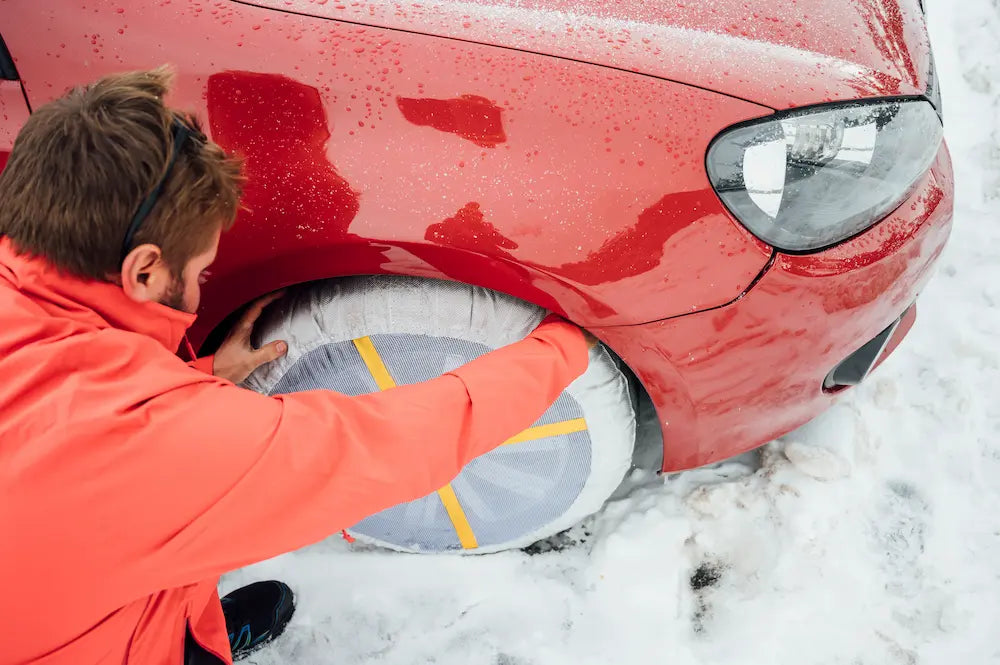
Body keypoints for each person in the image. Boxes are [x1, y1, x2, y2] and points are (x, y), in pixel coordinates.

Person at [0, 68, 592, 665]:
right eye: (202, 271)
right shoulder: (139, 458)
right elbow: (392, 448)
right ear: (145, 271)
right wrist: (563, 352)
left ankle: (187, 625)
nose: (205, 282)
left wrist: (196, 382)